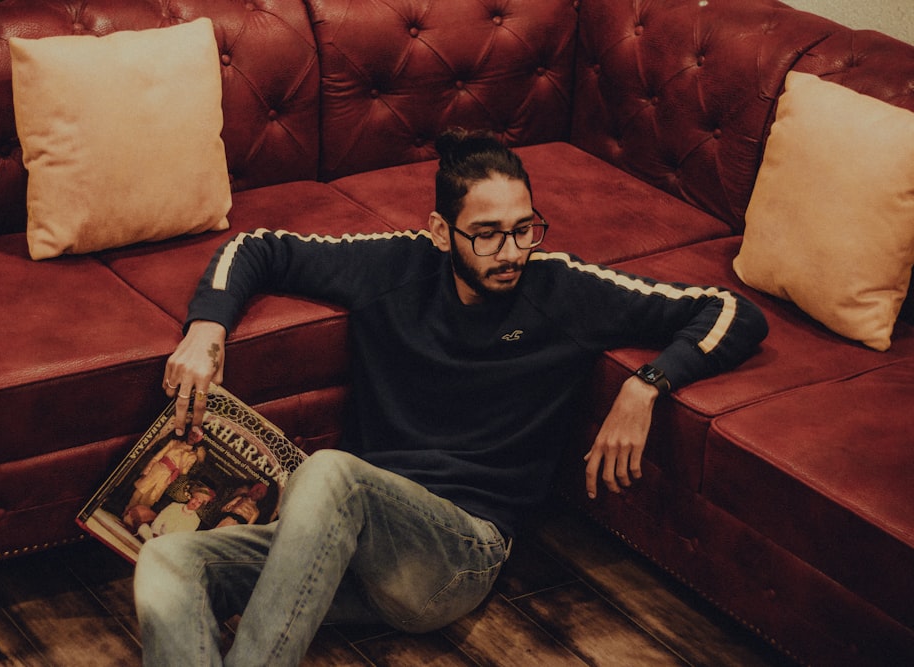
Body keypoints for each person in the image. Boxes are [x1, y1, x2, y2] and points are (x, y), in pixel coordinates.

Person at [134, 129, 768, 666]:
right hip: (343, 540)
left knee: (331, 475)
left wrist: (647, 384)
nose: (513, 251)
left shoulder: (564, 288)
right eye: (487, 234)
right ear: (441, 231)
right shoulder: (393, 266)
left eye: (526, 229)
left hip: (456, 556)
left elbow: (731, 310)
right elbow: (259, 247)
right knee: (166, 562)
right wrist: (206, 326)